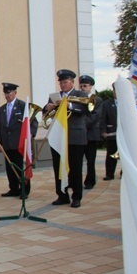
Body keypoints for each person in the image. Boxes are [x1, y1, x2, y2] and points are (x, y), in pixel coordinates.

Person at [43, 69, 88, 208]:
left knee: (75, 168)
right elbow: (46, 114)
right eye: (61, 83)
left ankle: (76, 196)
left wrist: (69, 105)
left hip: (75, 137)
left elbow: (85, 110)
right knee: (59, 168)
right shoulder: (54, 96)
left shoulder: (80, 94)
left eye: (65, 82)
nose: (63, 85)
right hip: (58, 136)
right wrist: (48, 107)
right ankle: (62, 195)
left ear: (72, 82)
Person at [0, 83, 37, 199]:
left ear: (15, 93)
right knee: (9, 168)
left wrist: (30, 134)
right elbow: (0, 127)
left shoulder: (23, 106)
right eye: (5, 93)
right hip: (7, 144)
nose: (7, 95)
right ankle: (13, 188)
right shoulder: (2, 109)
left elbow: (34, 123)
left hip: (20, 144)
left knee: (20, 168)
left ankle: (25, 190)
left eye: (9, 92)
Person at [79, 75, 103, 189]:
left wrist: (81, 125)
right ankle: (73, 180)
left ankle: (90, 181)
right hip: (78, 134)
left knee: (90, 160)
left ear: (90, 87)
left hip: (91, 134)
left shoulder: (97, 100)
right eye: (81, 86)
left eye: (85, 86)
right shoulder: (77, 98)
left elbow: (95, 116)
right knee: (76, 160)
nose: (83, 88)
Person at [100, 85, 118, 181]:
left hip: (125, 135)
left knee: (125, 156)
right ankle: (109, 174)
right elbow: (102, 119)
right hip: (112, 133)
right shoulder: (107, 104)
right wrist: (103, 131)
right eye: (115, 90)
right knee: (111, 154)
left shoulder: (128, 103)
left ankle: (124, 172)